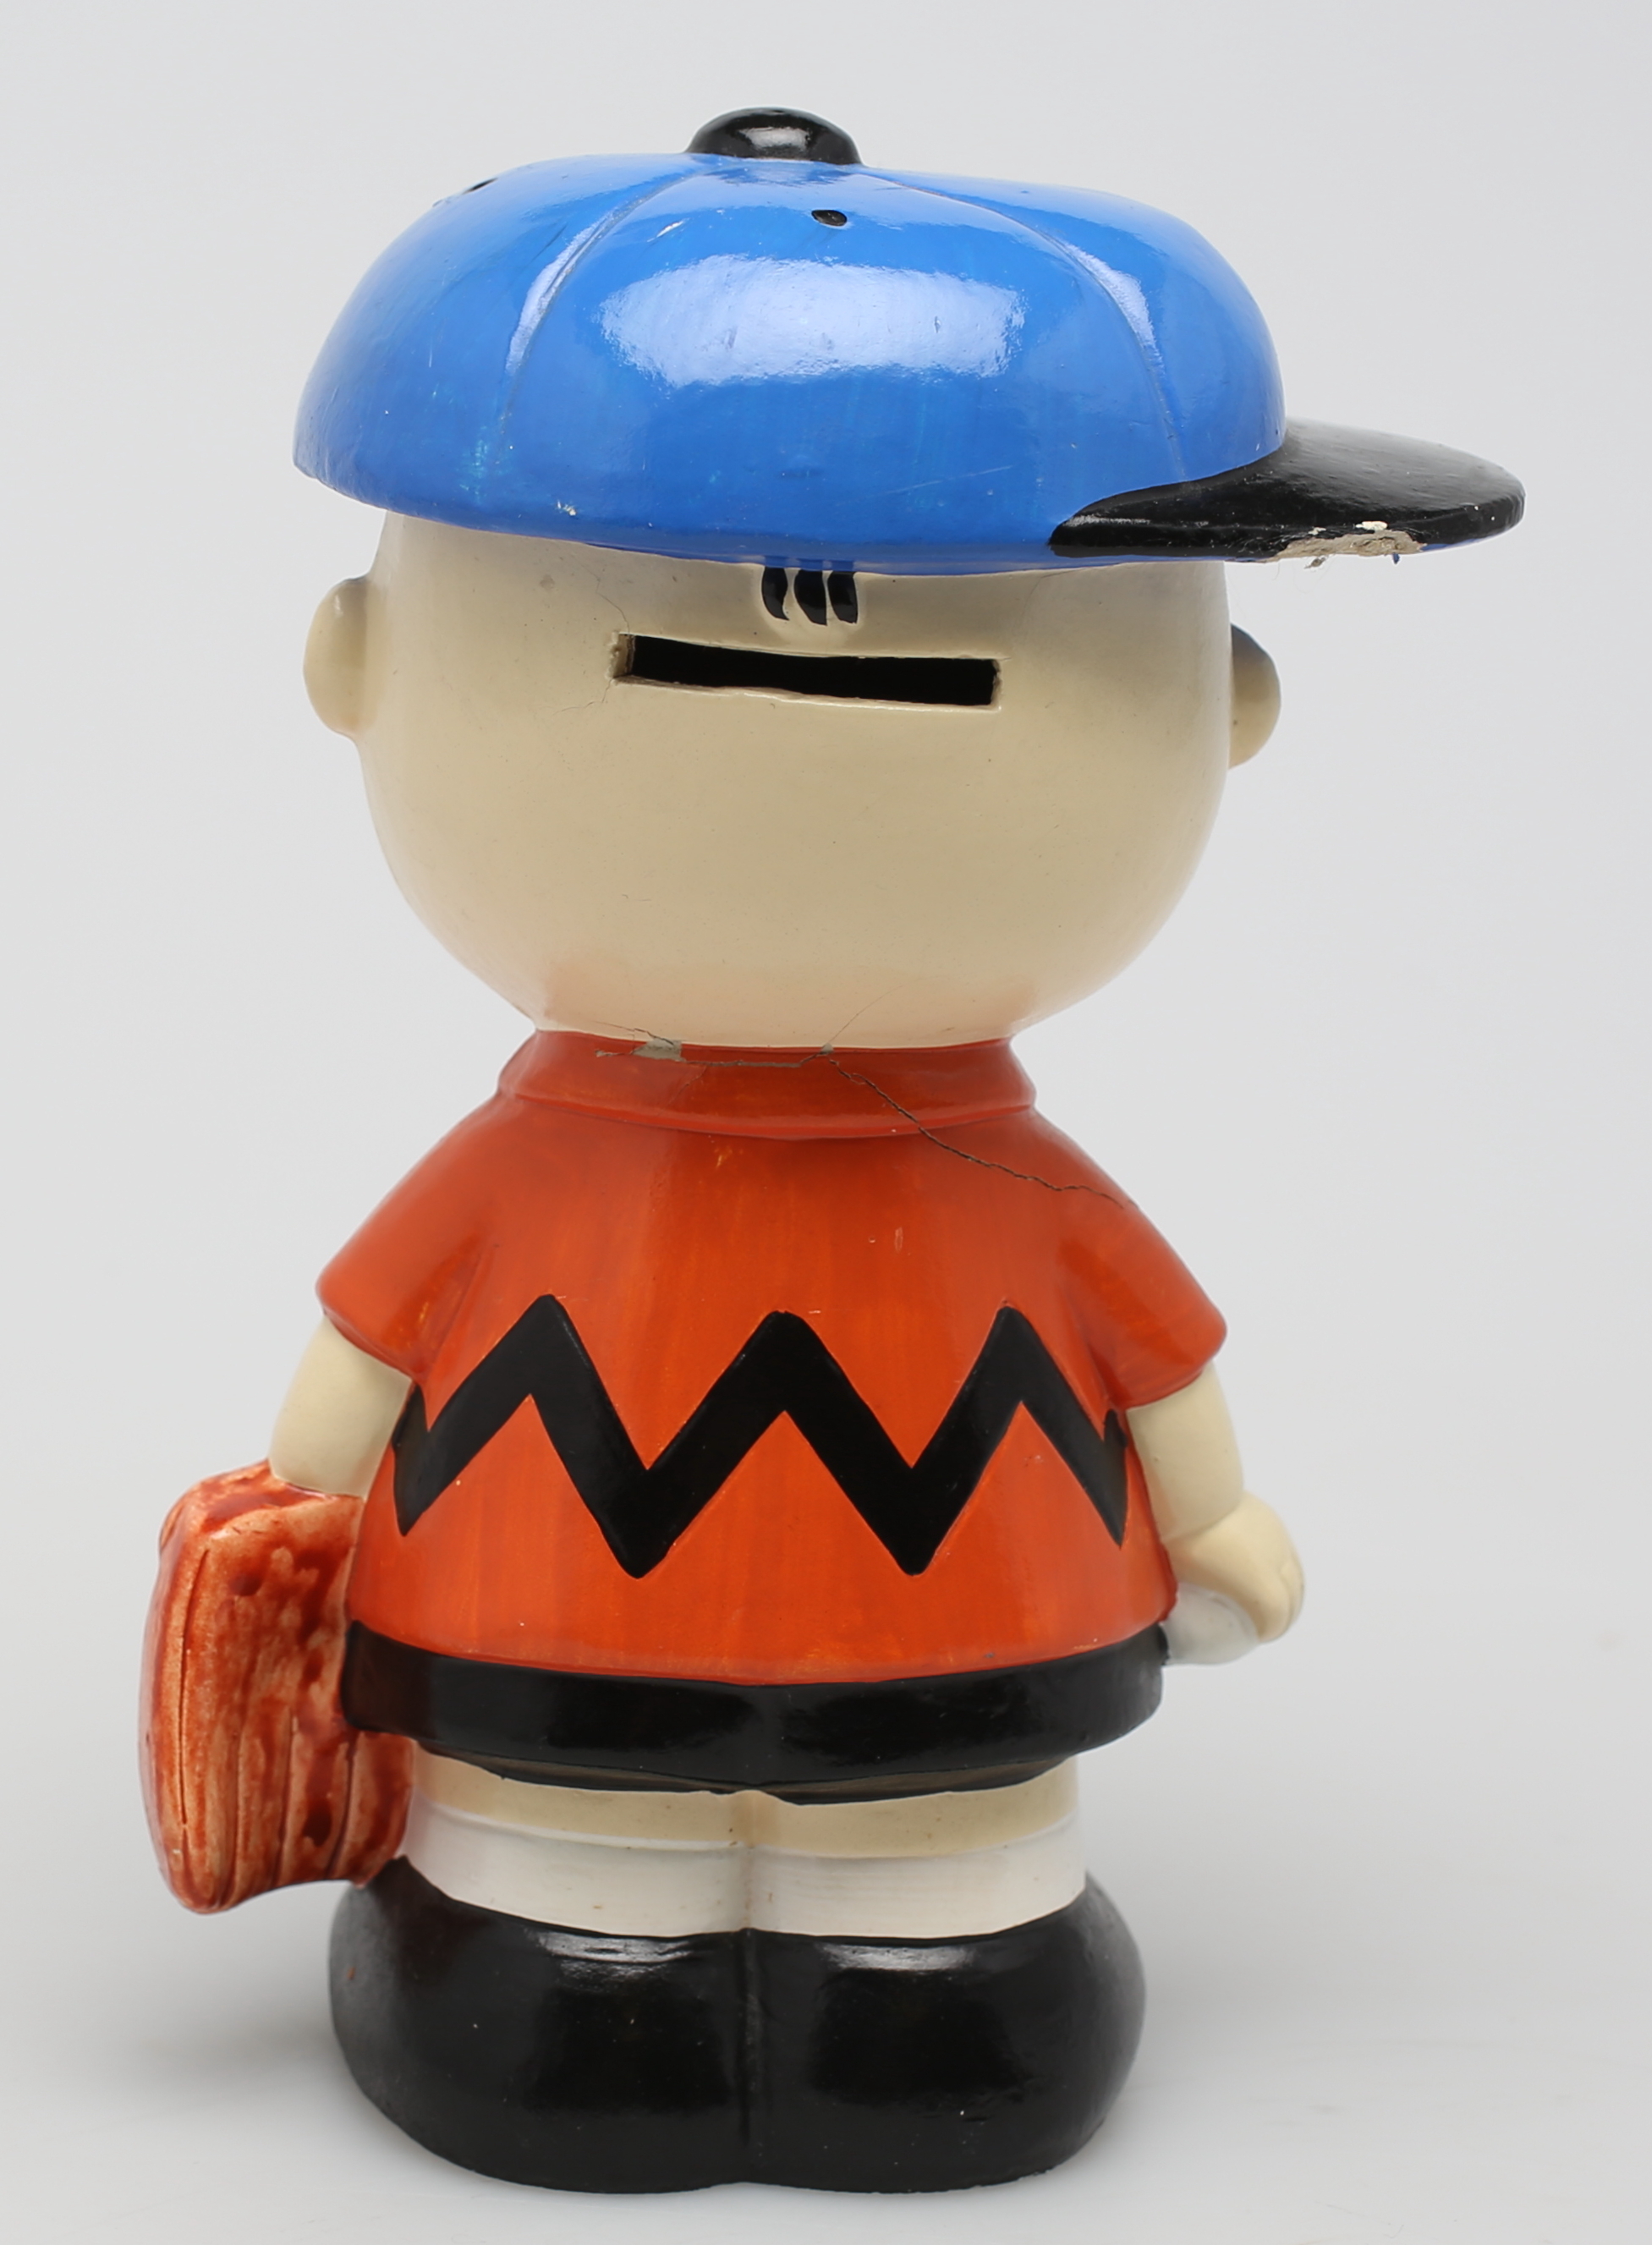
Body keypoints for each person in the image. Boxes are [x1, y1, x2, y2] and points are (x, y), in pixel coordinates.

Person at [145, 107, 1521, 2193]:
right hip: (581, 1608)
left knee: (920, 1851)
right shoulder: (599, 1170)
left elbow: (364, 1363)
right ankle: (583, 1938)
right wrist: (303, 1507)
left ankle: (906, 1955)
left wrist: (1210, 1507)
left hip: (870, 1607)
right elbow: (363, 1362)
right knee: (575, 1840)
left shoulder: (979, 1181)